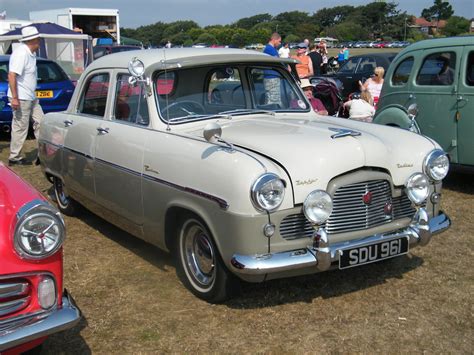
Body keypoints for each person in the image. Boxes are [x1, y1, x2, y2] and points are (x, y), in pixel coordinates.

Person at [7, 26, 43, 166]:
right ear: (33, 40)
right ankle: (14, 157)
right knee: (20, 127)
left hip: (31, 96)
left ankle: (42, 153)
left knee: (41, 122)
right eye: (38, 39)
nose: (39, 42)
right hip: (21, 97)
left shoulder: (30, 53)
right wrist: (15, 98)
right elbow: (12, 75)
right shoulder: (21, 54)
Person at [262, 33, 282, 105]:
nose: (280, 43)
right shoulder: (271, 49)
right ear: (274, 40)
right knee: (274, 100)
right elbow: (278, 62)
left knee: (269, 98)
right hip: (272, 77)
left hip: (269, 77)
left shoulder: (267, 48)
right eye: (279, 41)